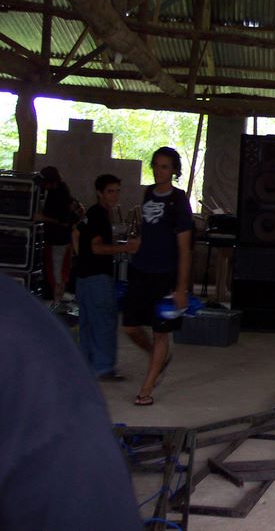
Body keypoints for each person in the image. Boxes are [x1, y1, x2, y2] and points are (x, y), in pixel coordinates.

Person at [0, 275, 143, 530]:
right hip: (92, 282)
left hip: (93, 282)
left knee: (97, 324)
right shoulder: (22, 338)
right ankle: (102, 365)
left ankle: (103, 365)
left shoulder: (20, 339)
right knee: (94, 323)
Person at [122, 147, 193, 407]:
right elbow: (148, 229)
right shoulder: (148, 193)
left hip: (165, 274)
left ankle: (146, 389)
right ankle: (157, 356)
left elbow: (185, 248)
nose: (159, 171)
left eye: (165, 167)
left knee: (160, 333)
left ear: (174, 170)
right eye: (156, 165)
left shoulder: (178, 200)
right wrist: (137, 243)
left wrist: (181, 288)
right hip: (141, 269)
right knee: (130, 326)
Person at [75, 174, 139, 381]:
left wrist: (80, 257)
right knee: (104, 323)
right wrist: (125, 248)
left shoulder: (91, 214)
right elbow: (97, 248)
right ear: (99, 193)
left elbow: (75, 233)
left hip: (84, 277)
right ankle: (103, 368)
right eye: (110, 191)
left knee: (88, 324)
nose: (115, 195)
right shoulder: (99, 215)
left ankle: (85, 366)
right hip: (97, 277)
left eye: (117, 191)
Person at [35, 166, 79, 308]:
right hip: (56, 239)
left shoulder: (61, 194)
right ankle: (57, 300)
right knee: (56, 271)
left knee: (56, 272)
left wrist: (43, 217)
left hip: (58, 240)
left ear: (52, 181)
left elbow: (64, 221)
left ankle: (56, 302)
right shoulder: (57, 190)